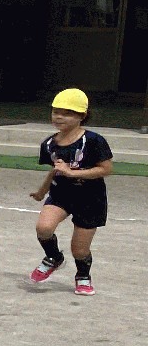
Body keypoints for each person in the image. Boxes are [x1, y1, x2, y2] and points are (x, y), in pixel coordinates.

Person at [28, 87, 110, 296]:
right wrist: (41, 192)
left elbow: (106, 169)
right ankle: (54, 257)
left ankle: (83, 275)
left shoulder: (93, 141)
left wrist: (73, 173)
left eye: (67, 113)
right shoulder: (49, 143)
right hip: (61, 194)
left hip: (90, 199)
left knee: (79, 250)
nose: (59, 117)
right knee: (44, 228)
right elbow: (55, 170)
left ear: (82, 116)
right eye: (56, 112)